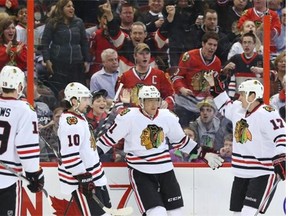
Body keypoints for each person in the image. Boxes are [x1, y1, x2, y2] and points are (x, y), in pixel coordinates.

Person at [96, 85, 224, 215]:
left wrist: (204, 153)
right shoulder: (128, 117)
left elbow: (181, 141)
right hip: (141, 170)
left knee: (176, 213)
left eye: (156, 100)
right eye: (149, 100)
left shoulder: (167, 116)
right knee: (157, 213)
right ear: (141, 102)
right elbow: (108, 140)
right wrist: (91, 156)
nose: (153, 104)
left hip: (165, 170)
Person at [204, 72, 286, 215]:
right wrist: (214, 85)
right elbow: (224, 103)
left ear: (252, 96)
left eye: (242, 94)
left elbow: (281, 137)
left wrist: (281, 157)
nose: (239, 97)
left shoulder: (268, 113)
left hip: (262, 172)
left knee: (248, 213)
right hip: (241, 172)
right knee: (237, 213)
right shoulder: (238, 109)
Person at [58, 82, 111, 215]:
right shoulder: (71, 123)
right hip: (82, 181)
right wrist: (84, 178)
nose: (88, 103)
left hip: (94, 177)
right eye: (85, 99)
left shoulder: (79, 117)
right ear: (74, 101)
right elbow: (70, 156)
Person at [0, 65, 44, 215]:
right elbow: (27, 147)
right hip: (8, 179)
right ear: (19, 86)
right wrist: (34, 174)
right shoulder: (25, 110)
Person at [171, 31, 222, 127]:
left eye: (215, 45)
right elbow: (177, 77)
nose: (212, 47)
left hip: (203, 105)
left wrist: (211, 93)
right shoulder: (189, 56)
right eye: (209, 44)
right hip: (185, 101)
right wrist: (182, 89)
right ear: (203, 44)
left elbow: (214, 85)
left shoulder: (217, 62)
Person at [41, 0, 90, 97]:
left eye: (72, 6)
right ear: (61, 9)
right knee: (60, 92)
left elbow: (84, 42)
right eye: (68, 6)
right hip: (59, 63)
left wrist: (87, 60)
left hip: (77, 63)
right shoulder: (52, 23)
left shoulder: (79, 22)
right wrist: (47, 60)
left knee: (77, 91)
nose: (72, 8)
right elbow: (45, 43)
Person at [116, 43, 175, 110]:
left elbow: (171, 95)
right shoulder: (125, 77)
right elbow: (119, 103)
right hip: (133, 116)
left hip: (154, 115)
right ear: (135, 56)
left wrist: (167, 102)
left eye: (147, 53)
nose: (145, 56)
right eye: (141, 54)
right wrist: (126, 113)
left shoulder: (159, 75)